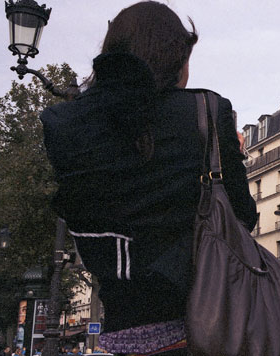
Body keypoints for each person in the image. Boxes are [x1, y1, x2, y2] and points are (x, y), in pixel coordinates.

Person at [39, 2, 258, 355]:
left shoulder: (60, 123)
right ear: (177, 60)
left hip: (120, 331)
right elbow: (243, 217)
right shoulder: (207, 112)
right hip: (200, 323)